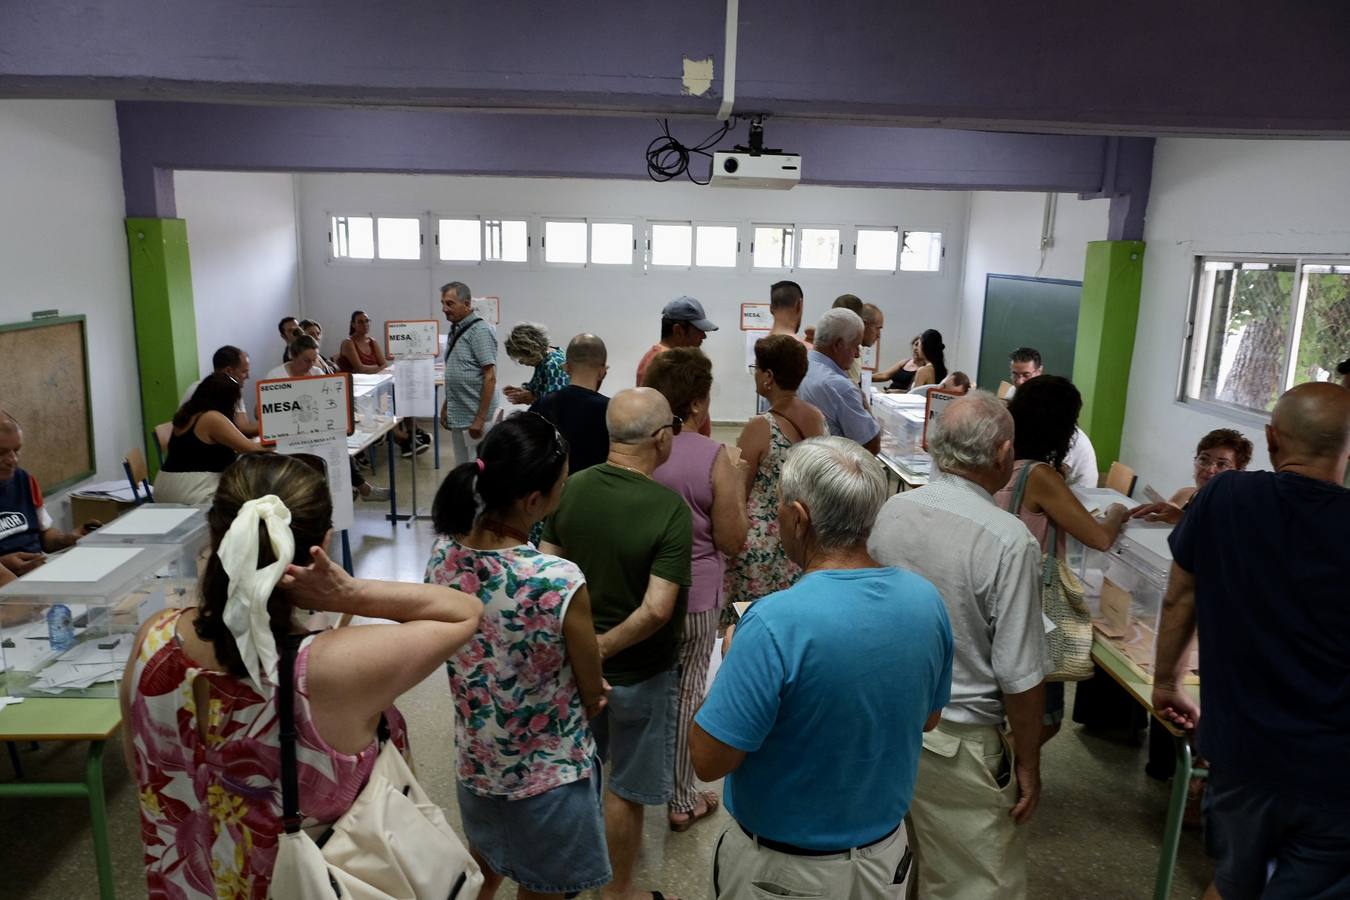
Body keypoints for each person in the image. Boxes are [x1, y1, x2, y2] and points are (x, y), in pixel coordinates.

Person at [122, 454, 482, 898]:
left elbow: (144, 771)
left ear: (215, 534)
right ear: (323, 543)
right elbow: (463, 613)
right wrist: (350, 593)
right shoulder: (327, 669)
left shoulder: (152, 641)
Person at [690, 437, 954, 899]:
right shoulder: (926, 602)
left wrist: (732, 662)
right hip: (884, 856)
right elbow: (928, 718)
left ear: (798, 517)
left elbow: (709, 760)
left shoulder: (773, 623)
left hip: (782, 873)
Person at [1153, 382, 1350, 900]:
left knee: (1232, 882)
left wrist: (1164, 682)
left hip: (1241, 754)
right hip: (1333, 770)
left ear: (1271, 439)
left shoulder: (1225, 496)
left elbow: (1179, 598)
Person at [869, 392, 1048, 899]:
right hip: (961, 740)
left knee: (903, 863)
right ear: (1002, 454)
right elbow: (1020, 672)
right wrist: (1029, 764)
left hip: (890, 723)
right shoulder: (1008, 539)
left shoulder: (894, 510)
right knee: (974, 881)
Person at [426, 413, 611, 899]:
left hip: (478, 763)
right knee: (544, 888)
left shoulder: (443, 558)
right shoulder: (557, 580)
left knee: (484, 870)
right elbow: (592, 690)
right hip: (548, 778)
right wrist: (593, 694)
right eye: (563, 484)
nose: (564, 491)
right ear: (534, 501)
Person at [539, 387, 691, 900]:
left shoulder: (572, 488)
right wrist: (601, 649)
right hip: (640, 674)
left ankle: (566, 879)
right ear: (661, 438)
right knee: (625, 790)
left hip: (573, 673)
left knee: (581, 773)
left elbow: (548, 574)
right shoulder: (669, 510)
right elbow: (656, 609)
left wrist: (583, 654)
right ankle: (618, 893)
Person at [644, 349, 749, 833]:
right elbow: (732, 538)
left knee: (646, 688)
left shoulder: (638, 451)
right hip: (696, 595)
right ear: (699, 404)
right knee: (688, 694)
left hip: (641, 593)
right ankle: (682, 799)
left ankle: (634, 781)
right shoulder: (711, 455)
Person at [993, 374, 1127, 740]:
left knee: (1010, 704)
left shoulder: (1001, 463)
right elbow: (1099, 537)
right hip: (1032, 604)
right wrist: (1117, 511)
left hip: (997, 594)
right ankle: (1003, 775)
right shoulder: (1041, 475)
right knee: (1043, 718)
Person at [724, 335, 826, 608]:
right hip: (801, 541)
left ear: (768, 375)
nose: (754, 374)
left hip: (761, 546)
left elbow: (739, 492)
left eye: (756, 368)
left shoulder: (760, 427)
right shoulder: (817, 417)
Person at [0, 411, 97, 574]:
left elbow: (44, 534)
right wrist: (4, 565)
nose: (13, 460)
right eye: (1, 453)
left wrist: (65, 539)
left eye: (17, 450)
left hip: (36, 573)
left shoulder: (25, 480)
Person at [155, 373, 269, 505]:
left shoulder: (188, 413)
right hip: (193, 489)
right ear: (226, 400)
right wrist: (282, 442)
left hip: (166, 486)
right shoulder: (211, 418)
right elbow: (251, 449)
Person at [338, 310, 427, 457]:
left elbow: (384, 365)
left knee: (401, 395)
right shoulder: (348, 343)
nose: (365, 324)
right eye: (360, 321)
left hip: (378, 385)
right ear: (353, 324)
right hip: (361, 390)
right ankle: (404, 439)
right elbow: (360, 369)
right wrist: (378, 368)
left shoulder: (372, 341)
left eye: (367, 321)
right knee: (386, 407)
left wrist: (377, 369)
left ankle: (413, 432)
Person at [1008, 348, 1098, 487]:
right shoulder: (1019, 397)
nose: (1020, 382)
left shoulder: (1069, 442)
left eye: (1026, 375)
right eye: (1015, 375)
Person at [797, 308, 881, 454]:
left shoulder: (797, 366)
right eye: (855, 346)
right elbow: (871, 446)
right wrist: (864, 401)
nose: (857, 354)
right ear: (838, 345)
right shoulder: (841, 387)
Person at [1131, 429, 1254, 524]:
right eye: (1204, 459)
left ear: (1239, 472)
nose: (1209, 469)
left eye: (1222, 464)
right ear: (1195, 460)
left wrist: (1183, 518)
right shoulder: (1185, 494)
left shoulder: (1236, 510)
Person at [531, 334, 611, 475]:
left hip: (553, 493)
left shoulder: (541, 406)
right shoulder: (613, 410)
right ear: (603, 371)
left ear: (566, 367)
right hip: (596, 492)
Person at [439, 281, 499, 465]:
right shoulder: (455, 329)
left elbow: (490, 377)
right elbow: (456, 372)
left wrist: (479, 420)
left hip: (475, 417)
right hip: (461, 415)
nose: (444, 309)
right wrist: (446, 405)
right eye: (442, 303)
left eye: (450, 303)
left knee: (478, 469)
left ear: (466, 304)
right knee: (463, 467)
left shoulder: (479, 331)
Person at [635, 295, 719, 387]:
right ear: (678, 331)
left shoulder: (652, 357)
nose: (704, 336)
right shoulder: (670, 366)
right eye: (699, 330)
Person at [183, 345, 258, 437]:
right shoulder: (200, 390)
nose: (248, 376)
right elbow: (241, 431)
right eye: (244, 371)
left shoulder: (233, 389)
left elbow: (244, 427)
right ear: (228, 371)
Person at [503, 323, 567, 407]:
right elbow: (539, 387)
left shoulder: (553, 365)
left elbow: (555, 405)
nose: (521, 362)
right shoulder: (543, 360)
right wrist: (521, 391)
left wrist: (532, 398)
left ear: (531, 351)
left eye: (521, 358)